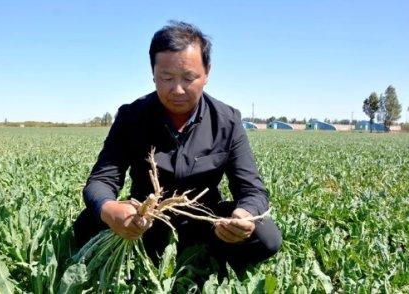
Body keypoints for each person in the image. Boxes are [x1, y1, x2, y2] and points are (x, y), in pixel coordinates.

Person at [73, 21, 282, 273]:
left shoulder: (228, 121)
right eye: (167, 78)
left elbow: (252, 189)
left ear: (207, 73)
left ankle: (208, 258)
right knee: (86, 225)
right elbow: (101, 180)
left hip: (206, 223)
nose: (178, 89)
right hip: (144, 221)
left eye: (189, 78)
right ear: (153, 73)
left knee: (266, 236)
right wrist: (111, 209)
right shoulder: (131, 117)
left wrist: (243, 215)